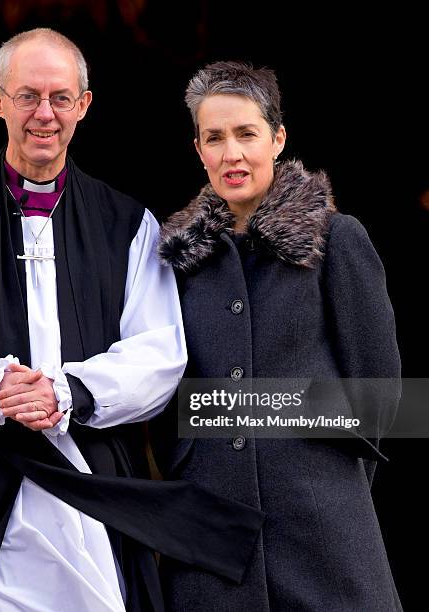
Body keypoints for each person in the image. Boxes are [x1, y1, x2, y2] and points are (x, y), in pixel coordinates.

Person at [0, 32, 266, 612]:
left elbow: (161, 353)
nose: (44, 114)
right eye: (27, 96)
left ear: (84, 105)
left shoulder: (130, 224)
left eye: (60, 97)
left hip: (93, 493)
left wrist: (70, 391)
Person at [154, 61, 402, 611]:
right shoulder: (174, 264)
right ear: (198, 148)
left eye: (246, 134)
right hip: (209, 541)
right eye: (214, 138)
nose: (232, 154)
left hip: (322, 533)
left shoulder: (338, 240)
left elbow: (384, 405)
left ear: (278, 138)